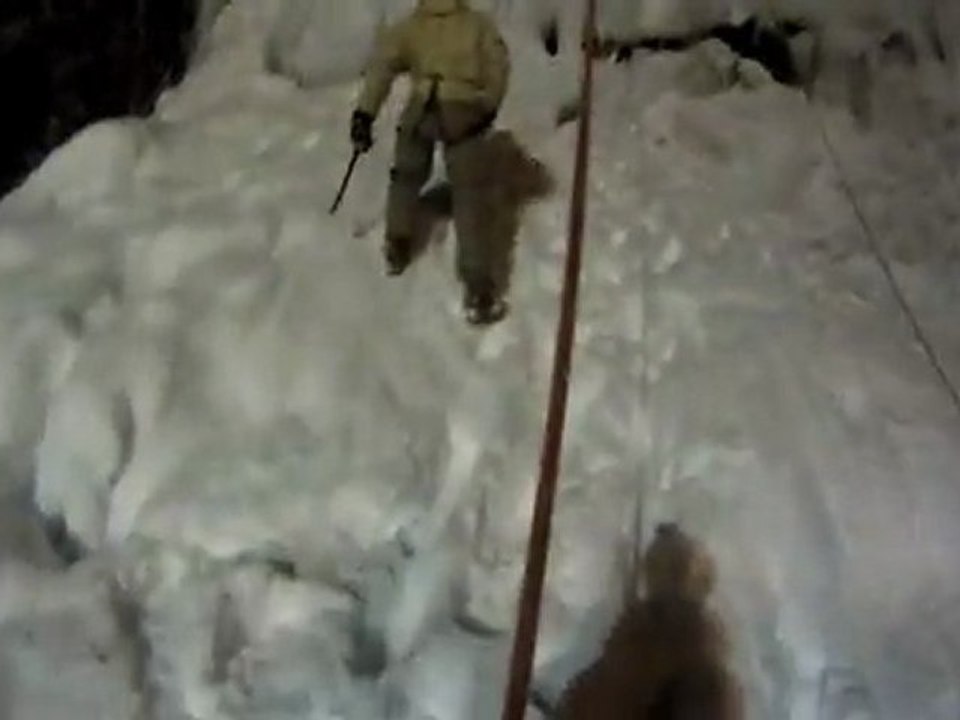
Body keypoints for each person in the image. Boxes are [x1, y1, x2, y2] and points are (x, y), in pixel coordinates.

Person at [350, 0, 511, 325]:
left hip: (421, 109)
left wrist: (365, 112)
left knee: (406, 176)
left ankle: (396, 241)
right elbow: (499, 66)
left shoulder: (412, 25)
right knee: (468, 194)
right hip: (463, 111)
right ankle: (477, 289)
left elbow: (383, 65)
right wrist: (488, 106)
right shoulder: (476, 24)